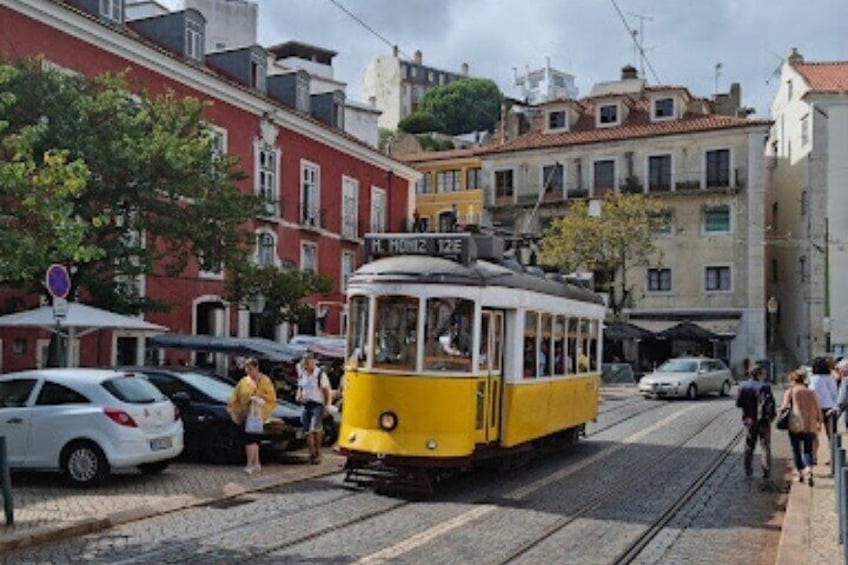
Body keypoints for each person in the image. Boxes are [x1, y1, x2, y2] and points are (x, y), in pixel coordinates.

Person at [227, 357, 276, 475]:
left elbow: (272, 398)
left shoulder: (265, 381)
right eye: (246, 369)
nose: (248, 372)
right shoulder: (243, 381)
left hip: (258, 415)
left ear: (256, 368)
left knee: (251, 440)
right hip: (246, 413)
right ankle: (256, 463)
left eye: (250, 369)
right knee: (253, 441)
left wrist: (261, 396)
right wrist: (234, 410)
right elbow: (235, 397)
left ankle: (250, 464)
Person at [780, 369, 822, 486]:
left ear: (793, 380)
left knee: (796, 450)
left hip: (796, 424)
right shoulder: (811, 392)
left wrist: (781, 410)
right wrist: (819, 422)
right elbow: (818, 408)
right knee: (808, 449)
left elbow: (784, 407)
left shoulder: (791, 391)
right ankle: (809, 469)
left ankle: (801, 474)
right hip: (810, 425)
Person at [735, 365, 775, 480]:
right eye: (763, 374)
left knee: (749, 446)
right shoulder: (766, 387)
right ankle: (766, 471)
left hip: (749, 420)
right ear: (758, 375)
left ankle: (748, 470)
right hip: (764, 420)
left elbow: (738, 404)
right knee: (765, 447)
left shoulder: (744, 386)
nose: (765, 376)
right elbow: (771, 404)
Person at [296, 352, 332, 463]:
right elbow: (300, 388)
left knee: (315, 429)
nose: (305, 365)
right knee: (307, 430)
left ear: (312, 362)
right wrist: (298, 396)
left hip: (317, 404)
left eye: (307, 363)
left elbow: (327, 392)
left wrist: (327, 406)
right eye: (304, 363)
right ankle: (312, 453)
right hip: (306, 404)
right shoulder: (302, 374)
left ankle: (318, 452)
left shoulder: (320, 374)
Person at [808, 357, 838, 463]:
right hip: (830, 407)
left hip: (816, 408)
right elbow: (835, 393)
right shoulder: (830, 378)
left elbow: (812, 393)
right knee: (831, 434)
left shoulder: (813, 378)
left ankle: (814, 456)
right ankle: (833, 458)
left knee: (814, 433)